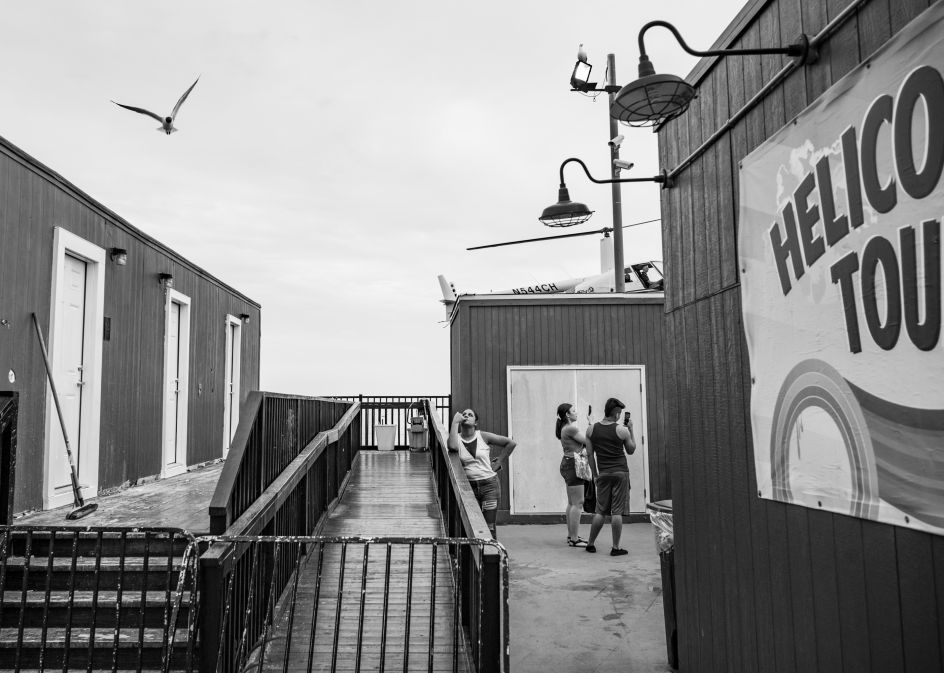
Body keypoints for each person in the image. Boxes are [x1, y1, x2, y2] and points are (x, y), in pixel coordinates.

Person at [447, 408, 517, 539]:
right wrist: (454, 423)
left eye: (470, 415)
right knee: (471, 525)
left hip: (489, 486)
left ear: (475, 423)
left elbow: (510, 443)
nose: (466, 416)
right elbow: (452, 447)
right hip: (468, 488)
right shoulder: (456, 438)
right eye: (464, 415)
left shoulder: (483, 436)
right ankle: (473, 557)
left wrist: (498, 462)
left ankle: (490, 557)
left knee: (489, 526)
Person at [585, 397, 636, 555]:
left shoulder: (591, 429)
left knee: (600, 511)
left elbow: (589, 455)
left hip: (604, 473)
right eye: (619, 414)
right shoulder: (622, 430)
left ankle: (590, 544)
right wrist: (631, 429)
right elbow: (631, 450)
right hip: (620, 473)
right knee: (617, 512)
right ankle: (615, 548)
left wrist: (595, 474)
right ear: (616, 414)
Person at [555, 403, 590, 547]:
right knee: (578, 502)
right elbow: (589, 441)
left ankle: (571, 536)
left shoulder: (565, 428)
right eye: (573, 411)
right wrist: (591, 423)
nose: (576, 412)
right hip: (573, 465)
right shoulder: (571, 428)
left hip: (568, 463)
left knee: (572, 502)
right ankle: (574, 539)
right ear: (567, 415)